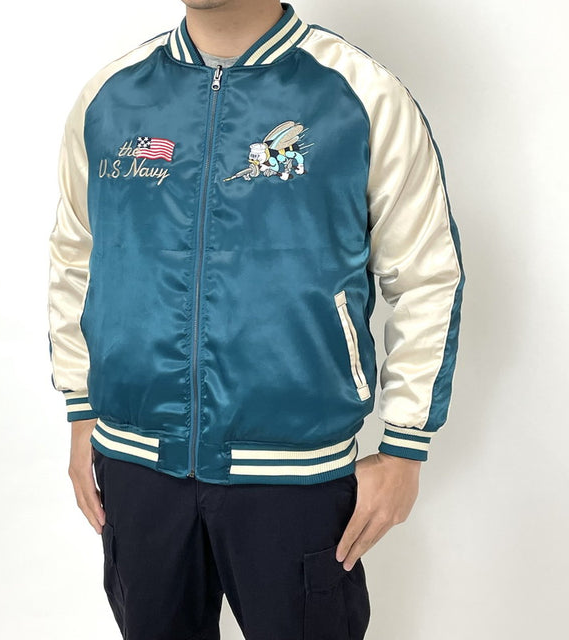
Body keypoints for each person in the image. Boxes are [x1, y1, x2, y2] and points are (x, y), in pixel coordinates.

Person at [47, 1, 465, 638]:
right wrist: (82, 410)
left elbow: (427, 274)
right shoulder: (112, 97)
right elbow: (76, 257)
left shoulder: (359, 94)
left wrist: (405, 446)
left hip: (295, 473)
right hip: (137, 465)